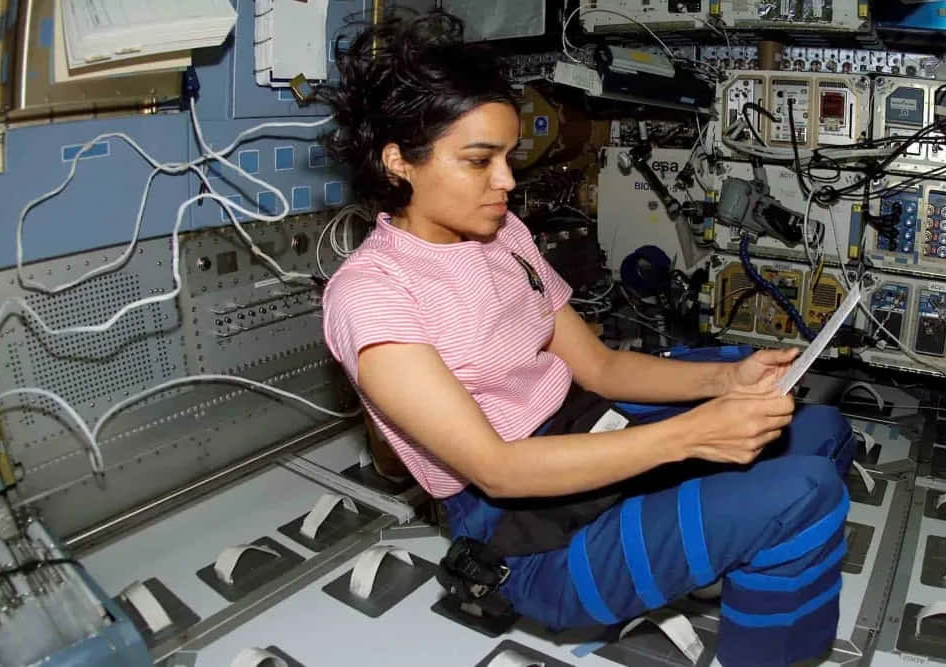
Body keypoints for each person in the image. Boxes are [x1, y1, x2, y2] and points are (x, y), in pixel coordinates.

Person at [318, 12, 854, 667]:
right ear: (399, 160)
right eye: (479, 160)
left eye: (509, 157)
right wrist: (693, 434)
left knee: (817, 429)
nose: (507, 182)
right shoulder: (370, 294)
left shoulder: (502, 236)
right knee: (808, 493)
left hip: (586, 433)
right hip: (527, 539)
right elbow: (497, 469)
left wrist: (727, 382)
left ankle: (722, 544)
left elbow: (597, 365)